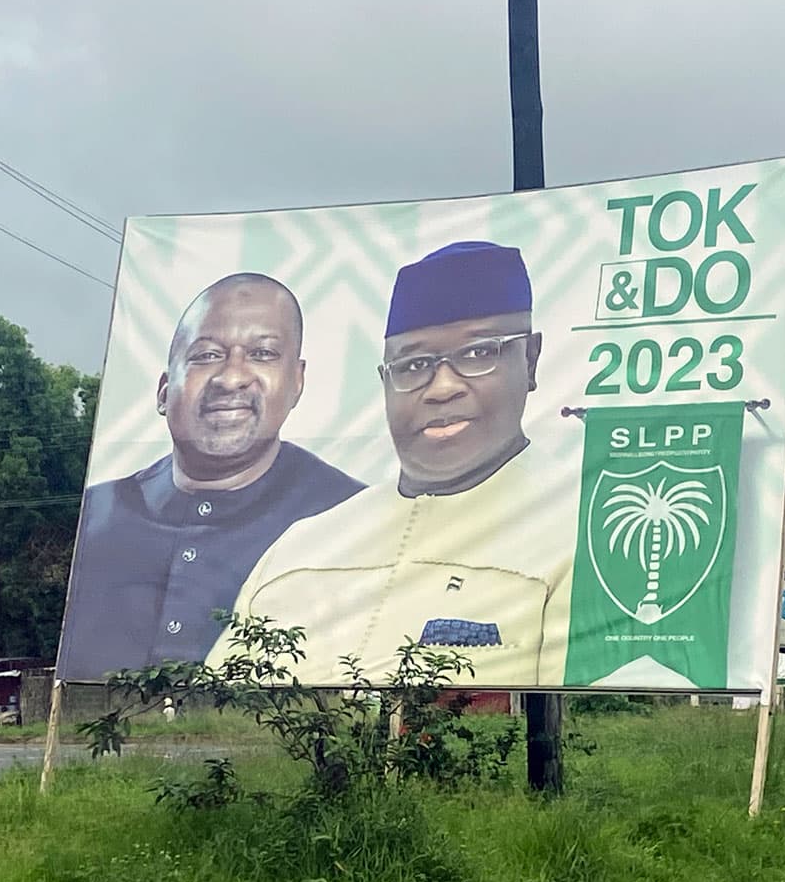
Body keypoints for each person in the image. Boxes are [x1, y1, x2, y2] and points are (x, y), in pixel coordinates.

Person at [226, 239, 574, 686]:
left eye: (477, 354)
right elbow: (217, 718)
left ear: (529, 359)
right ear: (384, 380)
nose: (442, 387)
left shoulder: (586, 534)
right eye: (414, 365)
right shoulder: (299, 548)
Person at [57, 273, 361, 678]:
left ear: (297, 381)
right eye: (206, 356)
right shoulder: (97, 515)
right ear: (164, 391)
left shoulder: (350, 518)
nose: (231, 378)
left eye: (263, 354)